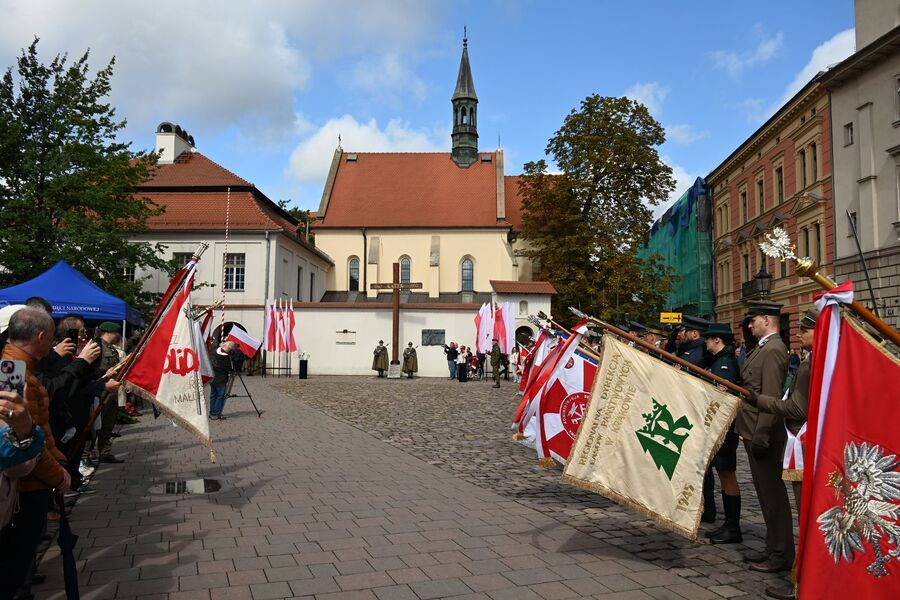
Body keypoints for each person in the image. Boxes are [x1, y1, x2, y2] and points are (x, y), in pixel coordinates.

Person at [743, 307, 817, 600]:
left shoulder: (777, 350)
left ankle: (788, 560)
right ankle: (781, 554)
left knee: (785, 502)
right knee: (773, 498)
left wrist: (762, 418)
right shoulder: (807, 358)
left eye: (804, 330)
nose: (798, 334)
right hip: (782, 432)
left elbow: (787, 401)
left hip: (792, 436)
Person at [0, 307, 71, 600]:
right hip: (23, 490)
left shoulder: (17, 367)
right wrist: (58, 475)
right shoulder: (12, 373)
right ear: (41, 336)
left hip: (30, 483)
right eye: (52, 338)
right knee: (13, 576)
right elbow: (16, 444)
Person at [738, 300, 792, 574]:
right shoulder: (763, 348)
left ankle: (781, 553)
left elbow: (770, 397)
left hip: (763, 431)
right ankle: (773, 546)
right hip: (751, 427)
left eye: (753, 320)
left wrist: (761, 435)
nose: (750, 325)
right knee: (763, 494)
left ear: (767, 320)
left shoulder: (772, 350)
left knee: (773, 496)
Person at [701, 322, 743, 544]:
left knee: (727, 475)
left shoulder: (724, 364)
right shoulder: (719, 361)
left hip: (724, 431)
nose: (705, 342)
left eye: (708, 338)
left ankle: (733, 527)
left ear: (718, 340)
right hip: (721, 430)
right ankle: (728, 524)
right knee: (724, 475)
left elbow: (722, 399)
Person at [676, 315, 715, 522]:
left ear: (694, 333)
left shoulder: (697, 352)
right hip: (689, 410)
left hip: (696, 412)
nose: (680, 335)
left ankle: (707, 508)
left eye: (684, 332)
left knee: (701, 466)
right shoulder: (691, 349)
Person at [94, 322, 125, 463]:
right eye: (116, 333)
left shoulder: (112, 349)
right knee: (95, 424)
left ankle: (104, 451)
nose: (118, 335)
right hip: (100, 391)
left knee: (108, 423)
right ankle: (87, 455)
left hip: (112, 392)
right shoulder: (96, 347)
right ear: (107, 332)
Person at [210, 340, 237, 419]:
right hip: (221, 379)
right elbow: (230, 368)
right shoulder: (226, 357)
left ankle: (212, 413)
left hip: (212, 377)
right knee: (220, 396)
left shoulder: (214, 352)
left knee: (213, 396)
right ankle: (216, 414)